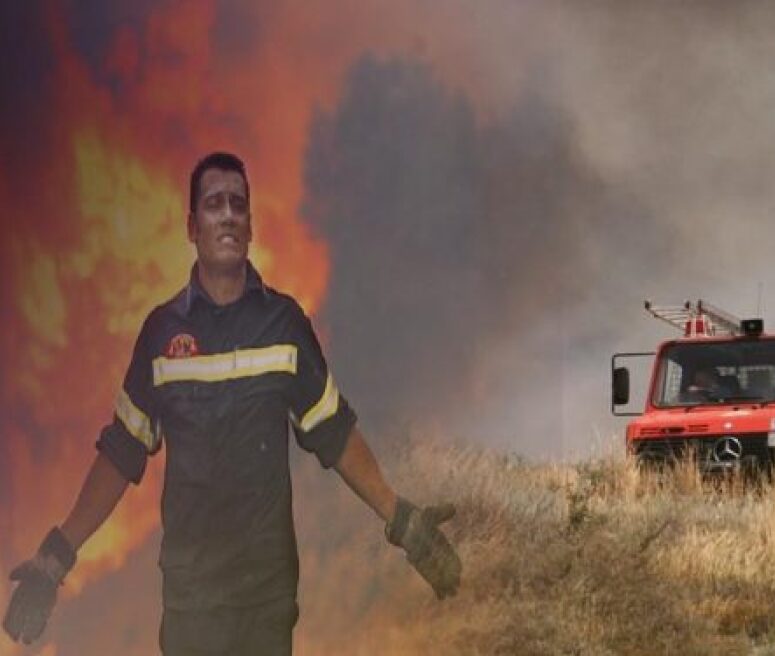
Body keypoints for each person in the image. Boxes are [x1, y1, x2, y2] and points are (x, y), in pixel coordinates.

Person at [3, 152, 461, 654]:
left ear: (250, 227)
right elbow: (120, 453)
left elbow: (335, 433)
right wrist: (58, 554)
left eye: (238, 205)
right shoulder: (161, 334)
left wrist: (401, 520)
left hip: (266, 598)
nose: (227, 214)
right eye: (214, 203)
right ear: (191, 226)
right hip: (191, 601)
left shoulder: (285, 326)